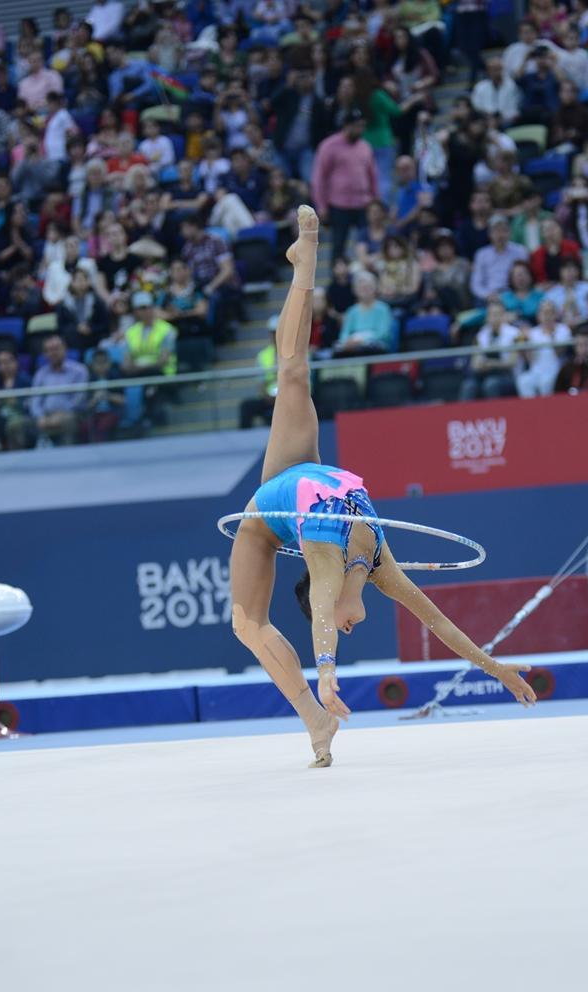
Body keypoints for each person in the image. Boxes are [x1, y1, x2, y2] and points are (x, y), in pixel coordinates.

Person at [229, 205, 536, 769]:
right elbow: (438, 620)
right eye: (347, 627)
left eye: (345, 628)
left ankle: (305, 259)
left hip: (275, 501)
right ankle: (313, 720)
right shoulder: (378, 564)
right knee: (246, 622)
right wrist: (497, 667)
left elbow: (324, 608)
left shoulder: (324, 554)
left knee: (292, 370)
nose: (351, 626)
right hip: (299, 484)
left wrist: (327, 675)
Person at [312, 109, 379, 264]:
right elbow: (319, 178)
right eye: (356, 126)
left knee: (368, 242)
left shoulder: (365, 147)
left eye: (362, 126)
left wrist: (376, 200)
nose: (360, 130)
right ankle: (338, 281)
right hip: (339, 204)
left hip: (364, 203)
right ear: (346, 126)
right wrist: (321, 205)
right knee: (339, 245)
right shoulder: (329, 146)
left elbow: (372, 176)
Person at [30, 335, 89, 445]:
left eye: (57, 349)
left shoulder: (79, 370)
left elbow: (79, 399)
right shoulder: (40, 374)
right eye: (49, 350)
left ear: (65, 349)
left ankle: (70, 458)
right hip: (45, 416)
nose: (53, 353)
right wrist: (40, 417)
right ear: (45, 354)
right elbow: (35, 399)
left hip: (72, 414)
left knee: (67, 421)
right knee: (17, 425)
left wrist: (61, 415)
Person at [460, 297, 519, 400]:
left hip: (508, 375)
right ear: (487, 317)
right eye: (491, 314)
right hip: (485, 373)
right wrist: (480, 365)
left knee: (491, 384)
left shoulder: (515, 333)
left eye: (498, 314)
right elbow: (474, 363)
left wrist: (491, 364)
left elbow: (512, 362)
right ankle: (464, 415)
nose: (494, 317)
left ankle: (497, 415)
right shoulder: (481, 335)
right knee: (468, 385)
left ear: (504, 315)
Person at [515, 299, 568, 398]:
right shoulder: (533, 332)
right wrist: (525, 342)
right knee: (523, 381)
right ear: (538, 315)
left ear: (555, 314)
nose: (546, 316)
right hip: (536, 371)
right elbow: (530, 359)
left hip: (556, 370)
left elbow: (559, 353)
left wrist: (551, 333)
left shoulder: (563, 329)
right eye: (543, 312)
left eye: (549, 312)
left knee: (545, 383)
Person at [470, 216, 528, 303]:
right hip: (489, 295)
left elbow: (526, 277)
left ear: (509, 232)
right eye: (496, 231)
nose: (500, 235)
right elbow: (476, 284)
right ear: (489, 234)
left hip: (514, 294)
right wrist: (487, 295)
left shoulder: (520, 251)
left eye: (504, 230)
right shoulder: (481, 254)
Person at [335, 271, 394, 355]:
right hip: (352, 348)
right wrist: (348, 342)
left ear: (375, 288)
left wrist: (362, 340)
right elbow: (344, 335)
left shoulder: (383, 309)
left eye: (368, 287)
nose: (365, 290)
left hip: (374, 348)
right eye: (362, 287)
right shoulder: (351, 311)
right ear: (355, 290)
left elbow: (383, 333)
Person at [0, 348, 33, 450]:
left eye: (7, 362)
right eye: (0, 363)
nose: (4, 366)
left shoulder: (25, 380)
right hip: (1, 417)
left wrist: (16, 402)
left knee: (14, 425)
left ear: (16, 362)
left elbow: (32, 405)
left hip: (22, 417)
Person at [239, 315, 278, 429]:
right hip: (270, 399)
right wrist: (267, 396)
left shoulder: (296, 353)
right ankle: (243, 441)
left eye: (278, 331)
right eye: (273, 332)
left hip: (291, 399)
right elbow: (260, 383)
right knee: (246, 406)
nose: (275, 335)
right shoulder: (263, 355)